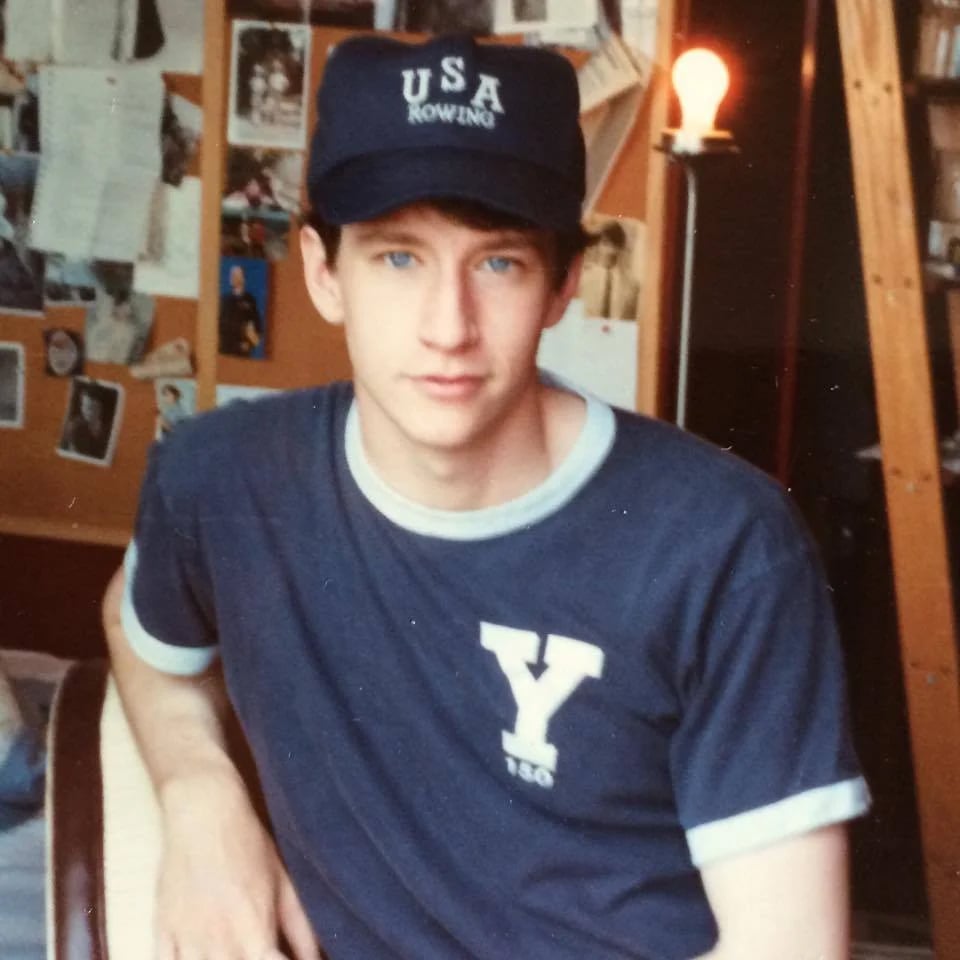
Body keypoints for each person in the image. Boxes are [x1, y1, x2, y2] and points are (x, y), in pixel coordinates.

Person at [102, 34, 869, 960]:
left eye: (498, 262)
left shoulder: (724, 543)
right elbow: (137, 619)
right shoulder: (219, 476)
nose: (447, 327)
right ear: (320, 271)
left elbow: (786, 949)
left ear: (563, 282)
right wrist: (199, 796)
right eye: (398, 258)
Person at [579, 219, 641, 320]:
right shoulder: (584, 279)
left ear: (620, 248)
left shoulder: (633, 286)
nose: (608, 250)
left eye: (613, 244)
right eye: (603, 243)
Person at [218, 263, 263, 356]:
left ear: (243, 278)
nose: (232, 277)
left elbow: (258, 327)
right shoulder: (224, 300)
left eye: (236, 275)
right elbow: (220, 324)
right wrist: (242, 328)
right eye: (231, 275)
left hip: (243, 351)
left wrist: (250, 344)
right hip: (226, 349)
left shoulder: (250, 300)